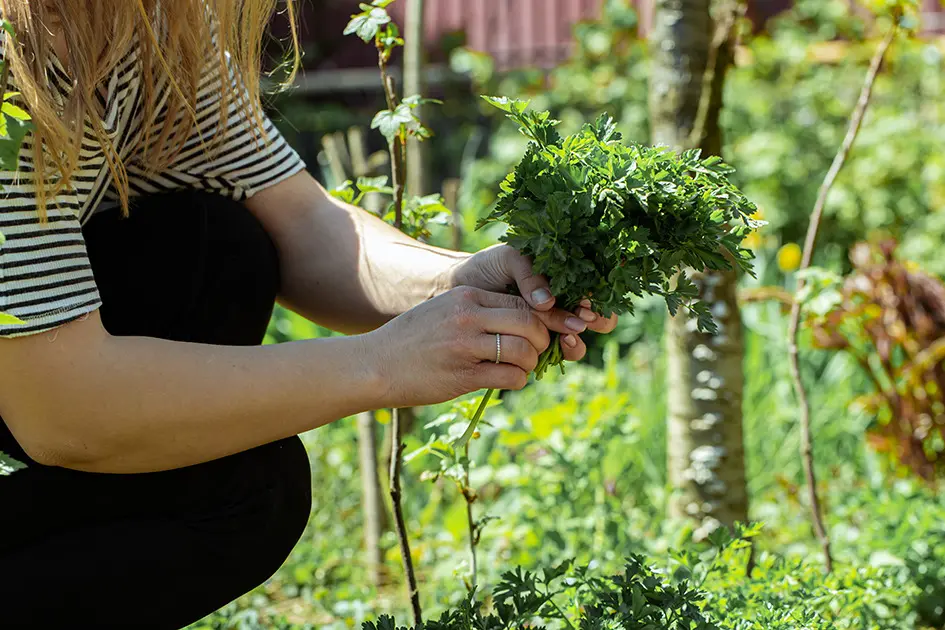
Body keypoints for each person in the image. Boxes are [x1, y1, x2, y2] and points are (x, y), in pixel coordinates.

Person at [0, 1, 617, 627]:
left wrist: (462, 284)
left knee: (213, 257)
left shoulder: (148, 24)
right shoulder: (12, 57)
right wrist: (381, 364)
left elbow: (303, 221)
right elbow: (62, 408)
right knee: (249, 487)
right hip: (51, 392)